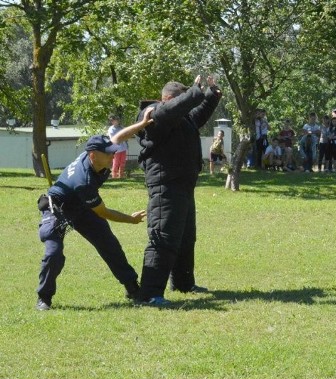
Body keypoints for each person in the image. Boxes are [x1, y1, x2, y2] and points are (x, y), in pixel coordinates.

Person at [35, 113, 153, 311]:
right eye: (109, 154)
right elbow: (103, 212)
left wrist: (141, 124)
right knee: (54, 253)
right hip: (57, 210)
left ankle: (132, 288)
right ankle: (44, 298)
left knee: (109, 244)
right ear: (93, 156)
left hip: (81, 207)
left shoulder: (97, 155)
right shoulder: (84, 181)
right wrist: (130, 220)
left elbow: (119, 137)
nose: (113, 156)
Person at [134, 75, 222, 305]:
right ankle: (150, 294)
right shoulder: (152, 113)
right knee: (163, 237)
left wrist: (212, 93)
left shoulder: (182, 118)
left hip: (183, 184)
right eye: (183, 100)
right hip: (165, 185)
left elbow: (199, 114)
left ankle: (183, 283)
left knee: (185, 237)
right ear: (171, 99)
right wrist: (194, 92)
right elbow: (168, 112)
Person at [107, 114, 128, 178]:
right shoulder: (111, 129)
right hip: (116, 149)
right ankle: (114, 176)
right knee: (116, 163)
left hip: (123, 148)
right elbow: (113, 139)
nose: (117, 121)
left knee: (123, 162)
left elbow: (125, 134)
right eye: (115, 120)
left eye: (117, 120)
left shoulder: (121, 127)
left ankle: (121, 175)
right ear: (112, 121)